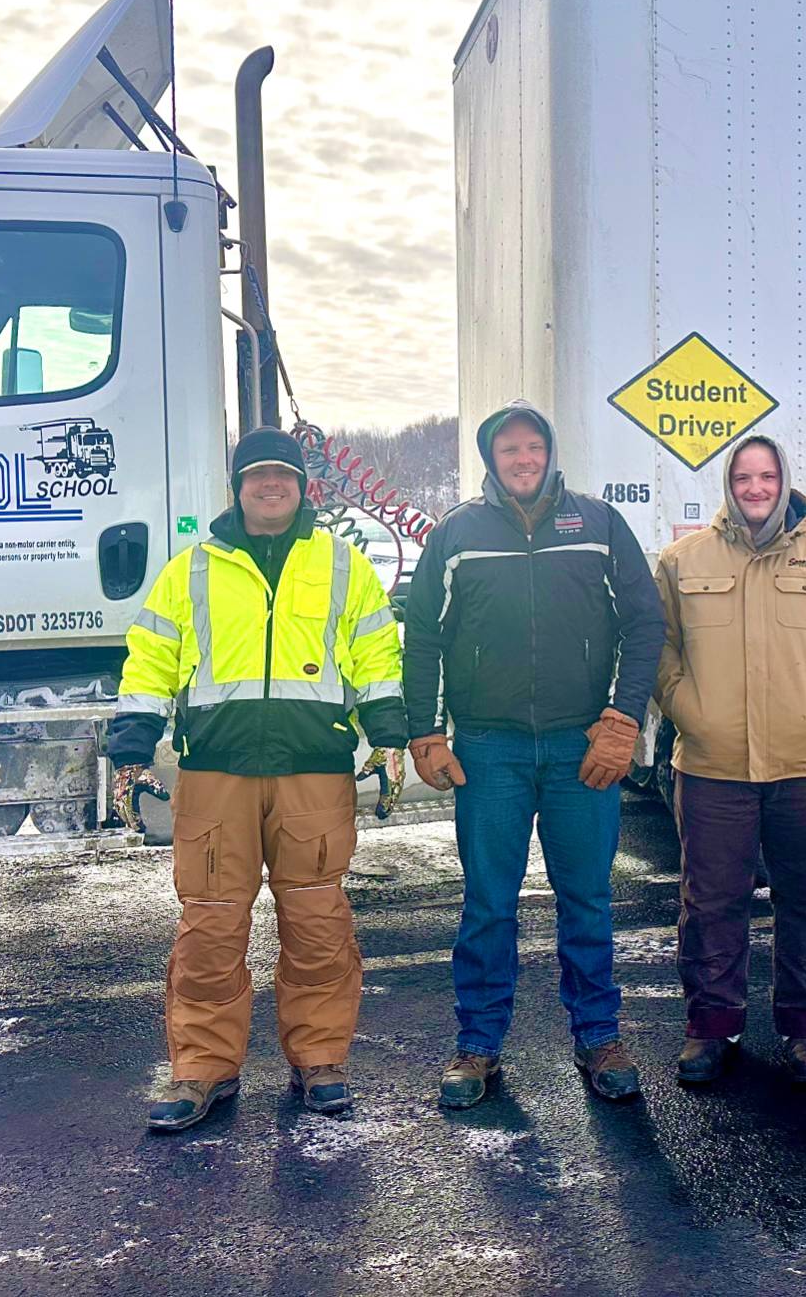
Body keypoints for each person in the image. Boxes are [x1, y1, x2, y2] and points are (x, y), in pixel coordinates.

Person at [109, 427, 407, 1131]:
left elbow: (376, 653)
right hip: (217, 772)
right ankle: (202, 1069)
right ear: (237, 486)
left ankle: (321, 1059)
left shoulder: (342, 564)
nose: (270, 485)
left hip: (313, 771)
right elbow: (150, 661)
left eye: (283, 475)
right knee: (210, 923)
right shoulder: (192, 571)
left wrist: (390, 737)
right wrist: (130, 748)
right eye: (256, 475)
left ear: (304, 485)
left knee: (317, 921)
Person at [401, 400, 665, 1108]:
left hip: (584, 746)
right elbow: (422, 632)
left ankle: (598, 1035)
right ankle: (478, 1045)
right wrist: (424, 731)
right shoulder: (457, 532)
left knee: (586, 896)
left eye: (532, 447)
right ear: (492, 459)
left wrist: (621, 718)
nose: (522, 459)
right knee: (488, 901)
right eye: (508, 449)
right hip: (491, 750)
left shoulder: (598, 524)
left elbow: (644, 624)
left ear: (549, 452)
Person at [654, 434, 806, 1087]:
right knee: (710, 901)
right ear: (728, 484)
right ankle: (710, 1025)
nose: (755, 487)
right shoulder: (682, 560)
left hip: (805, 763)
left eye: (766, 475)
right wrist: (685, 705)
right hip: (710, 765)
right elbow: (658, 646)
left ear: (784, 481)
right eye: (744, 476)